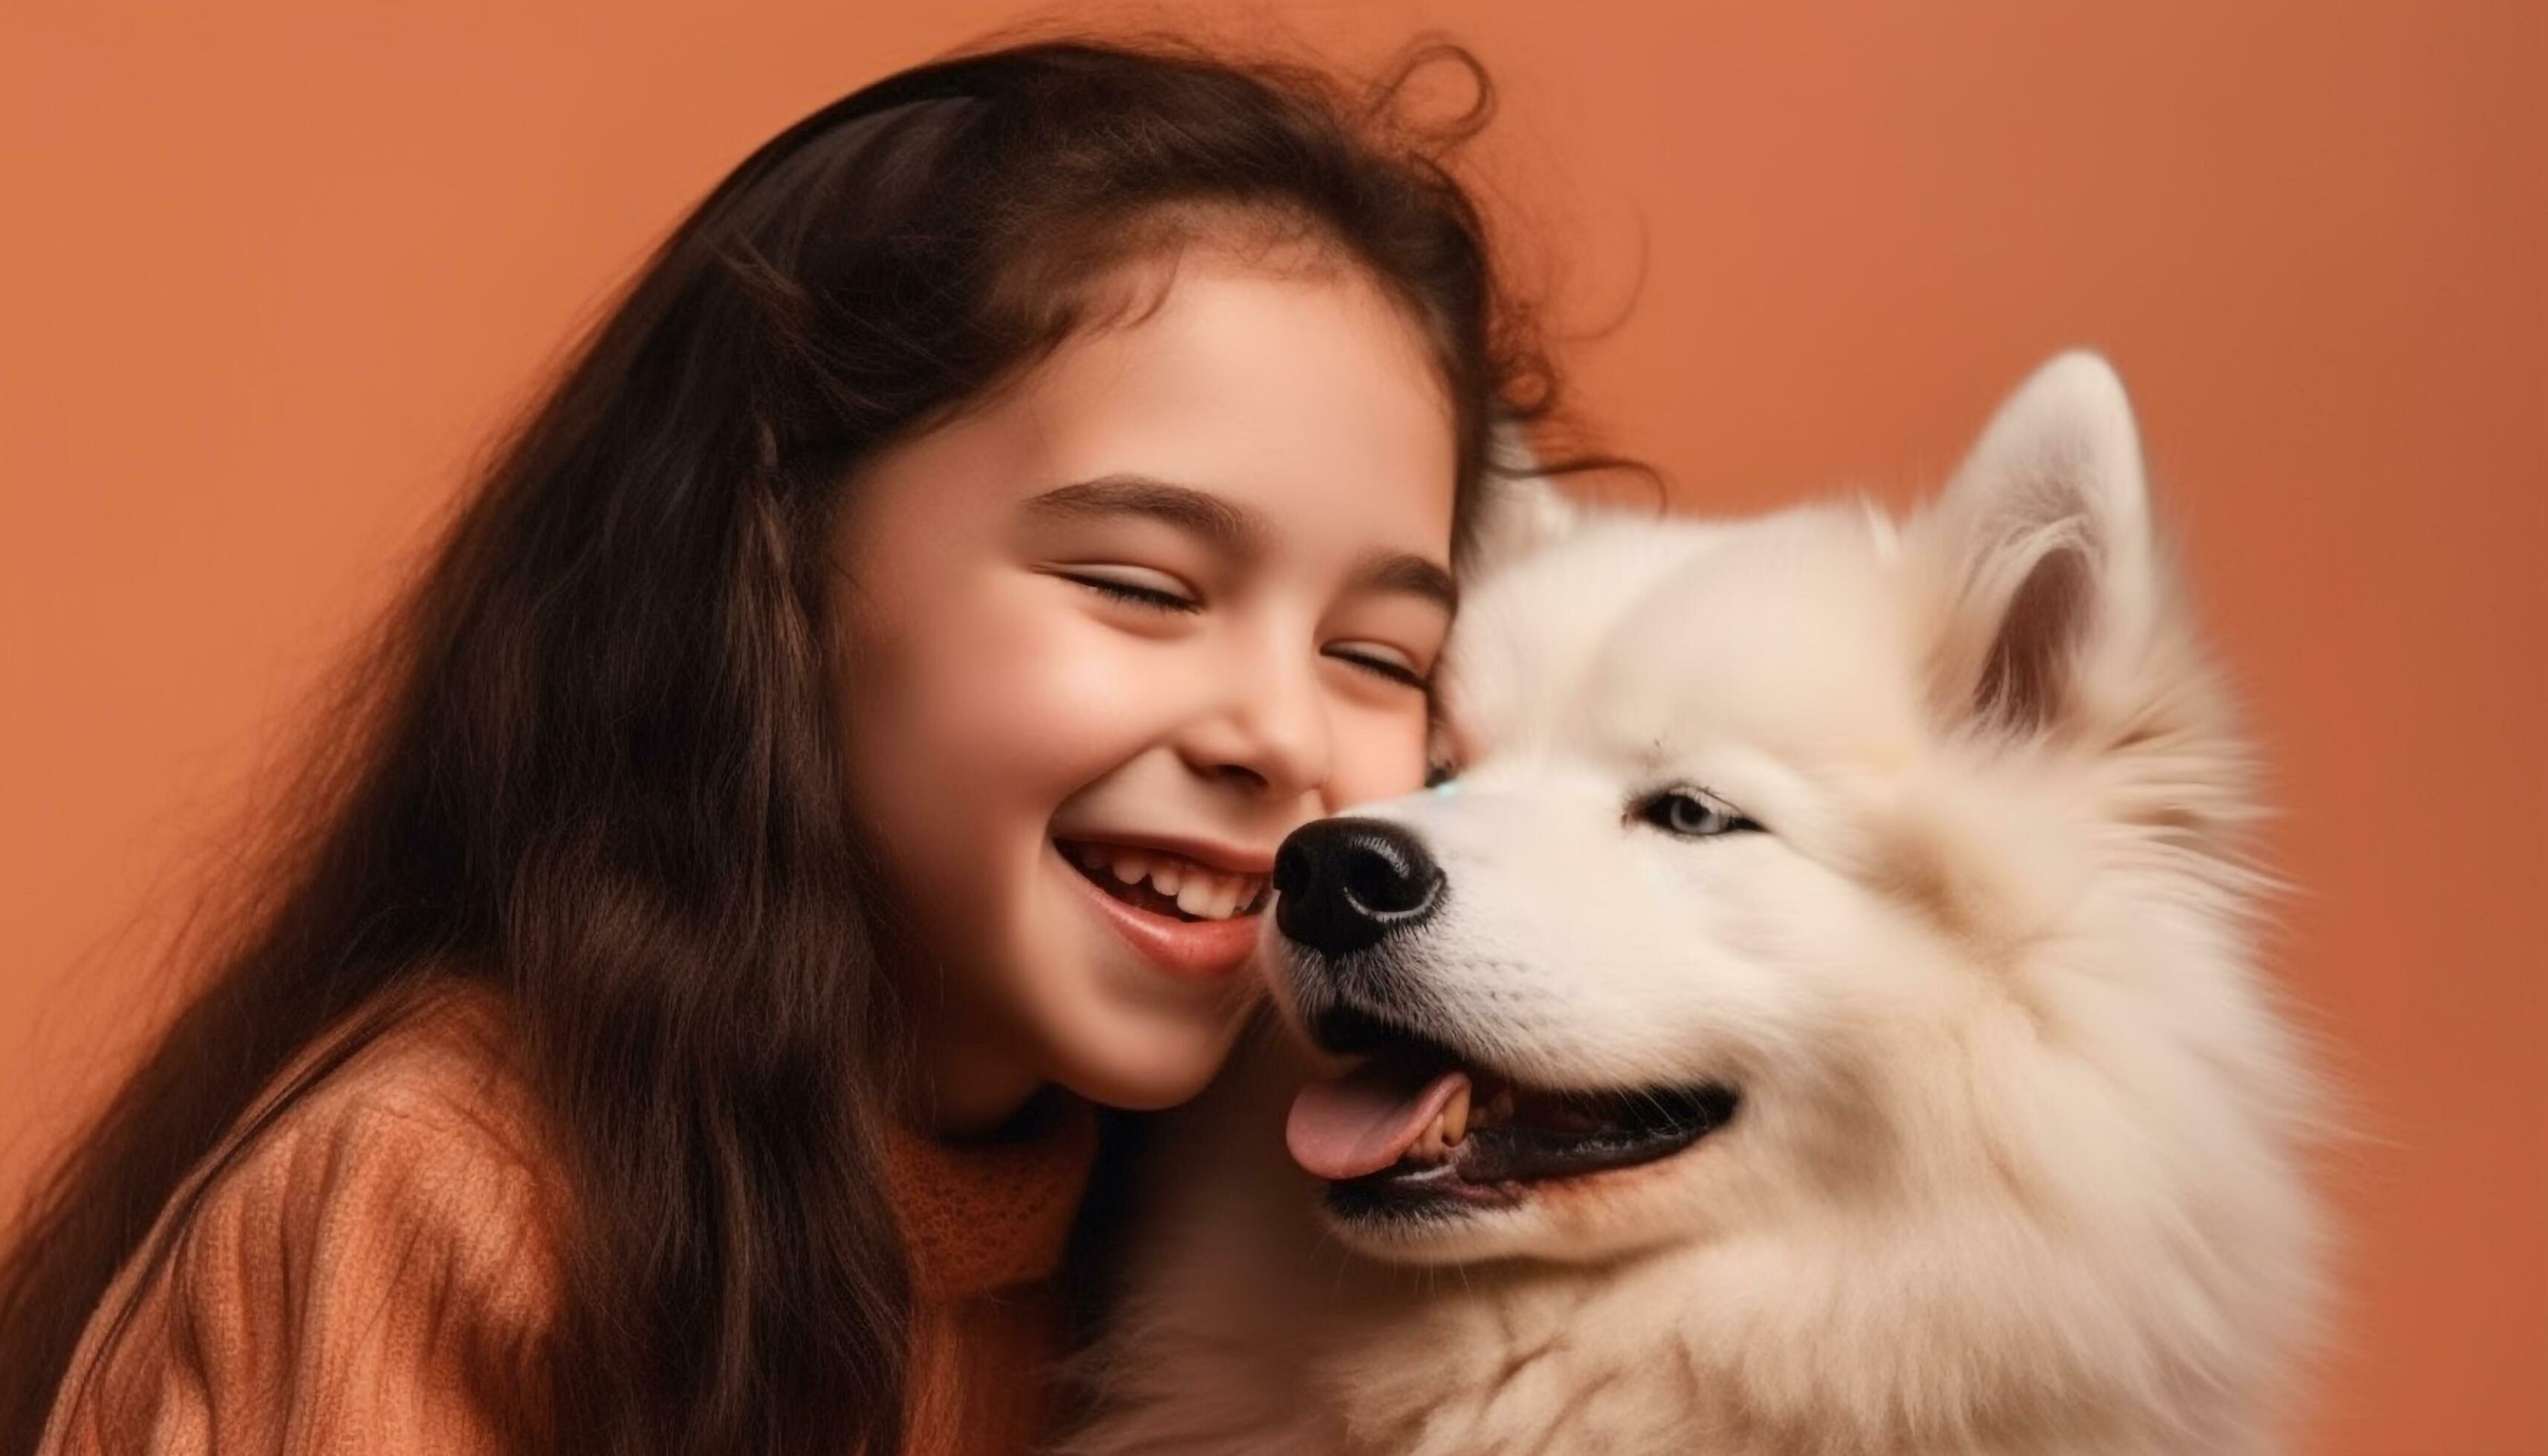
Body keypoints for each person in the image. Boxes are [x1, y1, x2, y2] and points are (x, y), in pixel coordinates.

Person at [0, 29, 1625, 1456]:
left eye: (1374, 654)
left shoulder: (1215, 1220)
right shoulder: (455, 1194)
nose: (1280, 734)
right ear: (773, 563)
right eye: (1140, 586)